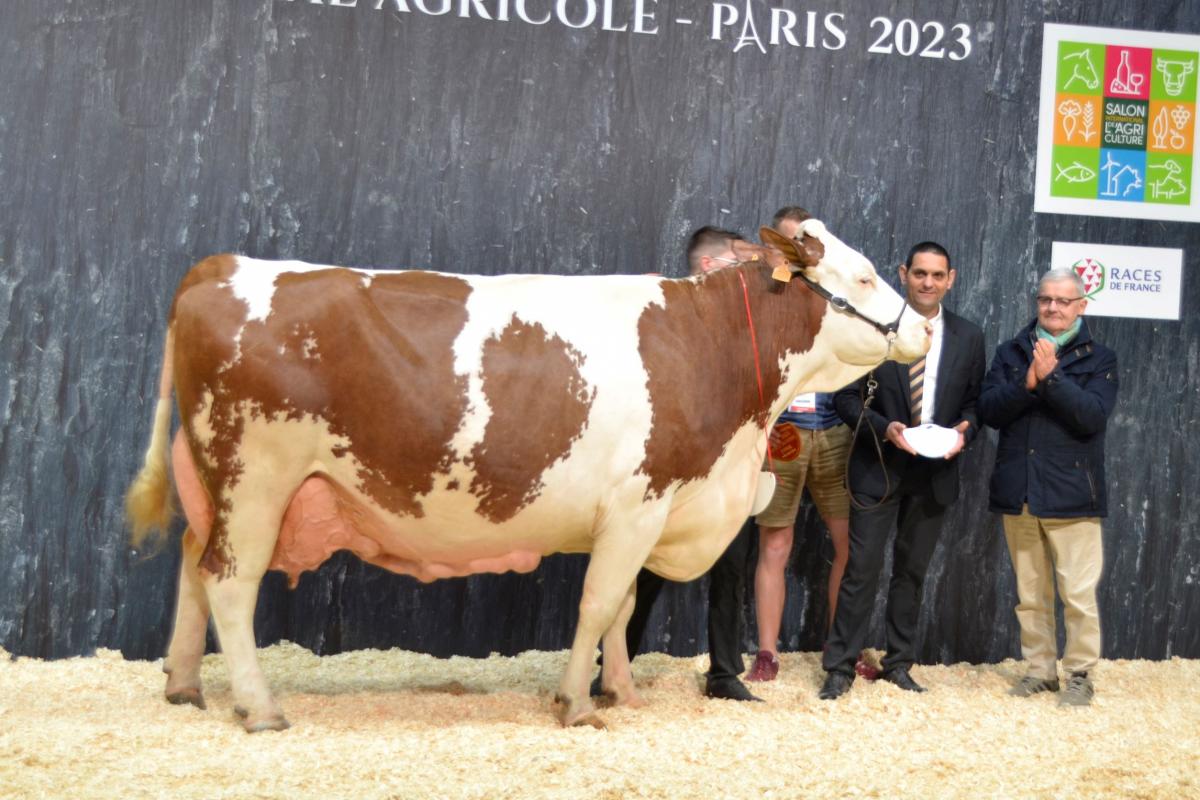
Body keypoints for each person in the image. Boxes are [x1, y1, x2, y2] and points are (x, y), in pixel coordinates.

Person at [595, 225, 762, 703]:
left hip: (726, 468)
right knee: (640, 566)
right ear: (710, 265)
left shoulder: (744, 328)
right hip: (666, 469)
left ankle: (725, 674)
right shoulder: (659, 312)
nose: (749, 273)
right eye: (740, 262)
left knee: (731, 567)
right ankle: (612, 667)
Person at [819, 241, 985, 700]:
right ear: (903, 274)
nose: (928, 282)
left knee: (911, 572)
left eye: (937, 275)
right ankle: (839, 668)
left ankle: (899, 663)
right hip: (878, 465)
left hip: (934, 474)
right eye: (919, 274)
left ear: (950, 279)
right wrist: (884, 428)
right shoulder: (876, 329)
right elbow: (844, 399)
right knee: (861, 570)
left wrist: (963, 433)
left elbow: (975, 403)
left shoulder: (970, 337)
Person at [977, 268, 1118, 707]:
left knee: (1077, 594)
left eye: (1062, 301)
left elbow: (1092, 416)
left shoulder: (1100, 358)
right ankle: (1040, 670)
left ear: (1081, 306)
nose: (1052, 308)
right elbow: (990, 410)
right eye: (1045, 300)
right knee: (1030, 593)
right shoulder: (1010, 351)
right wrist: (1029, 381)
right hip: (1019, 491)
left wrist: (1052, 377)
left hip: (1073, 494)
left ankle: (1079, 675)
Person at [745, 206, 852, 683]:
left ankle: (841, 645)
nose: (798, 252)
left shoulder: (835, 294)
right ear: (772, 246)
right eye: (789, 243)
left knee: (849, 541)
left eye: (806, 243)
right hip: (782, 431)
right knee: (776, 541)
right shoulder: (759, 295)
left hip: (833, 429)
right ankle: (767, 652)